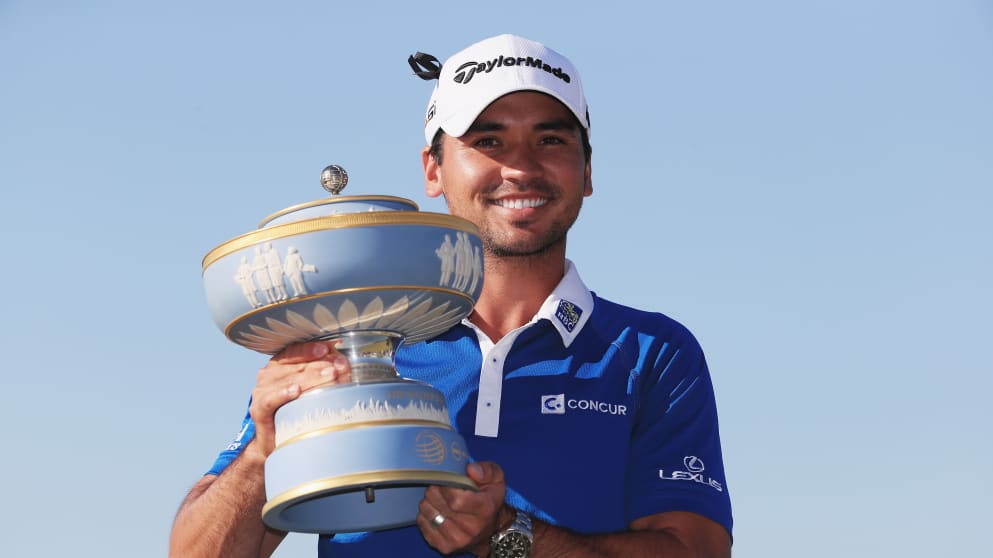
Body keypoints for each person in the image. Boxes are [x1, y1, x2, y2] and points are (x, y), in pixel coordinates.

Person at [170, 34, 733, 557]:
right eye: (487, 141)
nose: (520, 166)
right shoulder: (342, 345)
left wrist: (509, 537)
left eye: (551, 139)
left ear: (587, 170)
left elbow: (696, 550)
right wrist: (265, 451)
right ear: (432, 170)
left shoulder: (651, 352)